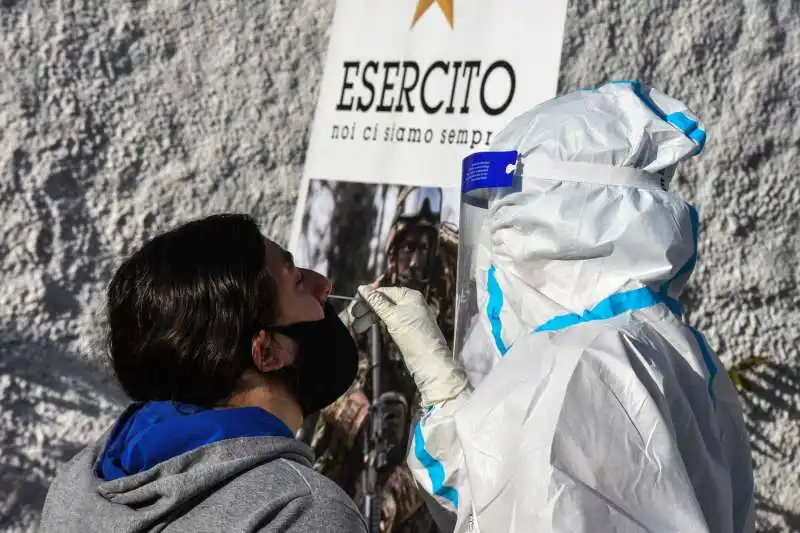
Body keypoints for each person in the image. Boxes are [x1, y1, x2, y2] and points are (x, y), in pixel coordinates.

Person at [352, 82, 756, 533]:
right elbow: (510, 492)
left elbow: (504, 514)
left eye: (503, 216)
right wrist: (441, 385)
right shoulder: (660, 342)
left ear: (550, 225)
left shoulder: (582, 362)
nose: (489, 247)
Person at [39, 213, 369, 533]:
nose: (324, 285)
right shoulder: (301, 513)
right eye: (296, 280)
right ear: (267, 352)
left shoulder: (74, 487)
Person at [303, 187, 457, 533]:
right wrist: (357, 410)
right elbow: (319, 370)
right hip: (365, 448)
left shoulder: (449, 313)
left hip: (423, 454)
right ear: (392, 249)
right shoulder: (369, 303)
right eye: (407, 249)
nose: (414, 261)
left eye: (422, 250)